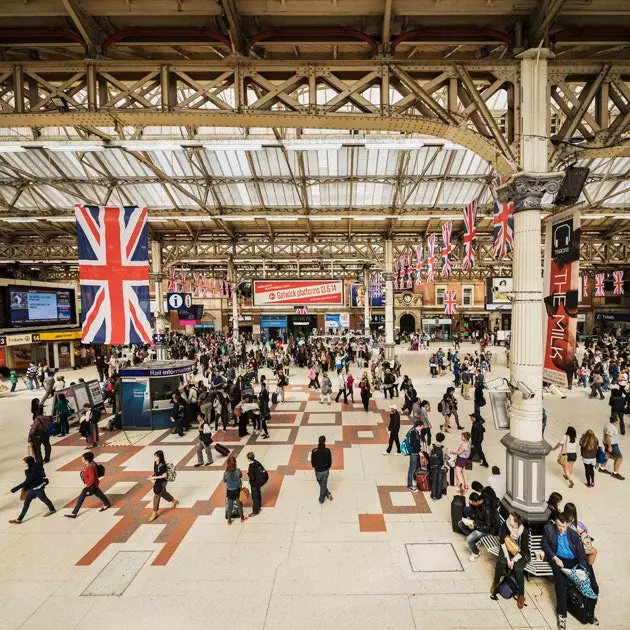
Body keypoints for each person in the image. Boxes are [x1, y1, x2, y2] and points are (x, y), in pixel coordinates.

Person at [542, 514, 597, 630]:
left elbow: (581, 554)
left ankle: (589, 613)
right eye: (558, 525)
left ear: (567, 524)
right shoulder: (549, 529)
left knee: (592, 584)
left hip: (573, 560)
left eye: (563, 526)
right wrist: (555, 558)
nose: (560, 528)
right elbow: (545, 545)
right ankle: (562, 615)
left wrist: (584, 568)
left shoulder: (573, 534)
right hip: (559, 560)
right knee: (561, 584)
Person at [490, 512, 530, 609]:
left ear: (516, 522)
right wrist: (508, 558)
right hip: (507, 549)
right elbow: (502, 542)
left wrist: (513, 560)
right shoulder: (505, 525)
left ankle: (521, 594)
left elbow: (524, 550)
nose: (508, 519)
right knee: (501, 562)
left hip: (520, 554)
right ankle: (495, 582)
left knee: (518, 569)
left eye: (511, 518)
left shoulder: (524, 531)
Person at [7, 456, 55, 524]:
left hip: (38, 489)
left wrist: (12, 490)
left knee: (44, 499)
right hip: (31, 489)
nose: (23, 464)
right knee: (26, 503)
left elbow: (26, 482)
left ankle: (52, 509)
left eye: (24, 463)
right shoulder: (31, 468)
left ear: (28, 463)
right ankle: (19, 519)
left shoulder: (34, 471)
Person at [65, 451, 111, 518]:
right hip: (94, 484)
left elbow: (92, 478)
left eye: (82, 458)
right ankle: (107, 504)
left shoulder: (90, 467)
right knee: (99, 493)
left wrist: (88, 487)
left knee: (82, 496)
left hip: (91, 486)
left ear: (86, 460)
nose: (81, 459)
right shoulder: (92, 463)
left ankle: (74, 513)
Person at [457, 491, 494, 561]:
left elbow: (488, 527)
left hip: (485, 530)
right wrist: (470, 519)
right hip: (477, 523)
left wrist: (475, 526)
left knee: (468, 539)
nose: (472, 504)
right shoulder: (478, 503)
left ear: (477, 501)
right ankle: (475, 540)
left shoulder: (487, 510)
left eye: (473, 502)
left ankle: (476, 552)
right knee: (460, 523)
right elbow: (474, 509)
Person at [148, 450, 178, 522]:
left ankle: (154, 512)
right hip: (158, 481)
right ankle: (174, 501)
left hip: (162, 482)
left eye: (156, 456)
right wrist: (152, 475)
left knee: (156, 496)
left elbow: (165, 475)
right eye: (155, 456)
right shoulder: (156, 462)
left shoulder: (162, 465)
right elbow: (155, 471)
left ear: (159, 457)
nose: (154, 457)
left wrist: (154, 478)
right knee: (163, 493)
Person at [600, 415, 625, 480]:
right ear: (616, 421)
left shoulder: (609, 424)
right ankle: (615, 473)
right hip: (612, 445)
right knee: (619, 458)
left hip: (607, 443)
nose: (619, 420)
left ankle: (602, 468)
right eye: (618, 419)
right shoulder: (611, 427)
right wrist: (610, 446)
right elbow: (608, 437)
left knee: (607, 454)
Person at [223, 455, 245, 524]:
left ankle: (229, 521)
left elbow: (224, 481)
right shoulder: (238, 471)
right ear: (235, 463)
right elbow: (241, 476)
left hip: (229, 491)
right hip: (237, 490)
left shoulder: (226, 473)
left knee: (230, 507)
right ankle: (242, 518)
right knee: (239, 505)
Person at [311, 435, 333, 504]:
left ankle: (321, 499)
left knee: (321, 483)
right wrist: (327, 467)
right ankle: (327, 493)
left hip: (318, 471)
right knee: (323, 484)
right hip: (325, 471)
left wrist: (315, 467)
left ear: (318, 441)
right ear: (324, 441)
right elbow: (330, 461)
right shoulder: (327, 451)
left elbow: (312, 462)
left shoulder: (314, 451)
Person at [429, 432, 448, 501]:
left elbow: (429, 455)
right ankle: (438, 495)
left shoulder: (432, 446)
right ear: (443, 440)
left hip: (433, 466)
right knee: (440, 481)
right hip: (441, 467)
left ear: (436, 438)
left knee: (434, 481)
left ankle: (433, 495)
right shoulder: (445, 448)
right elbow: (446, 457)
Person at [247, 451, 267, 516]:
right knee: (259, 494)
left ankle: (255, 511)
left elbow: (252, 477)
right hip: (258, 482)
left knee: (255, 497)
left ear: (249, 459)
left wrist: (248, 473)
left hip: (254, 484)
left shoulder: (251, 466)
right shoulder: (257, 463)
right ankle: (259, 506)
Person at [406, 423, 422, 492]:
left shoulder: (416, 432)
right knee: (411, 469)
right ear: (418, 426)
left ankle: (412, 482)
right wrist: (419, 451)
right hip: (413, 453)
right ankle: (410, 485)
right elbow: (413, 443)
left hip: (415, 452)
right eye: (421, 427)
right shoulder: (413, 433)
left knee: (414, 467)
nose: (422, 428)